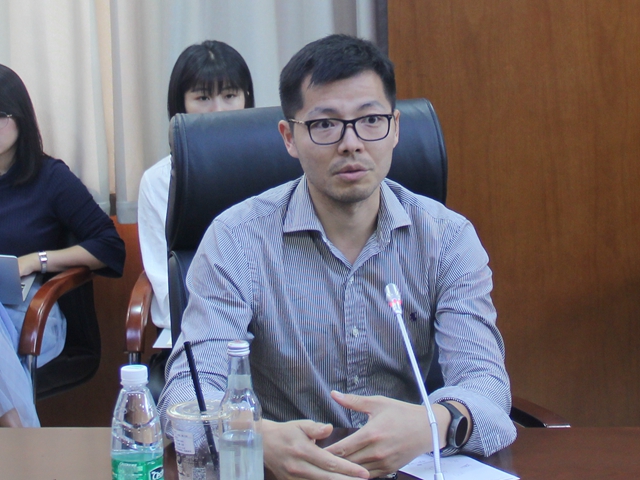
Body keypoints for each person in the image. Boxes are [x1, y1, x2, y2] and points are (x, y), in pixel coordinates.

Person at [158, 34, 516, 479]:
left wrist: (433, 424)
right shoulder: (236, 239)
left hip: (406, 468)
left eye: (371, 120)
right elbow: (186, 396)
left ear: (395, 128)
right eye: (325, 124)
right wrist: (254, 435)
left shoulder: (447, 239)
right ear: (289, 137)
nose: (351, 143)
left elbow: (487, 389)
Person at [0, 64, 125, 427]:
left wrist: (34, 261)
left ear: (20, 117)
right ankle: (23, 442)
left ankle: (20, 437)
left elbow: (109, 245)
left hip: (34, 318)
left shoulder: (50, 178)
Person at [137, 40, 254, 339]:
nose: (218, 110)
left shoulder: (271, 167)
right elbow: (165, 287)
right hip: (192, 330)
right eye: (203, 97)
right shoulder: (158, 181)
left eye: (230, 95)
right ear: (181, 105)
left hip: (269, 330)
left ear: (246, 98)